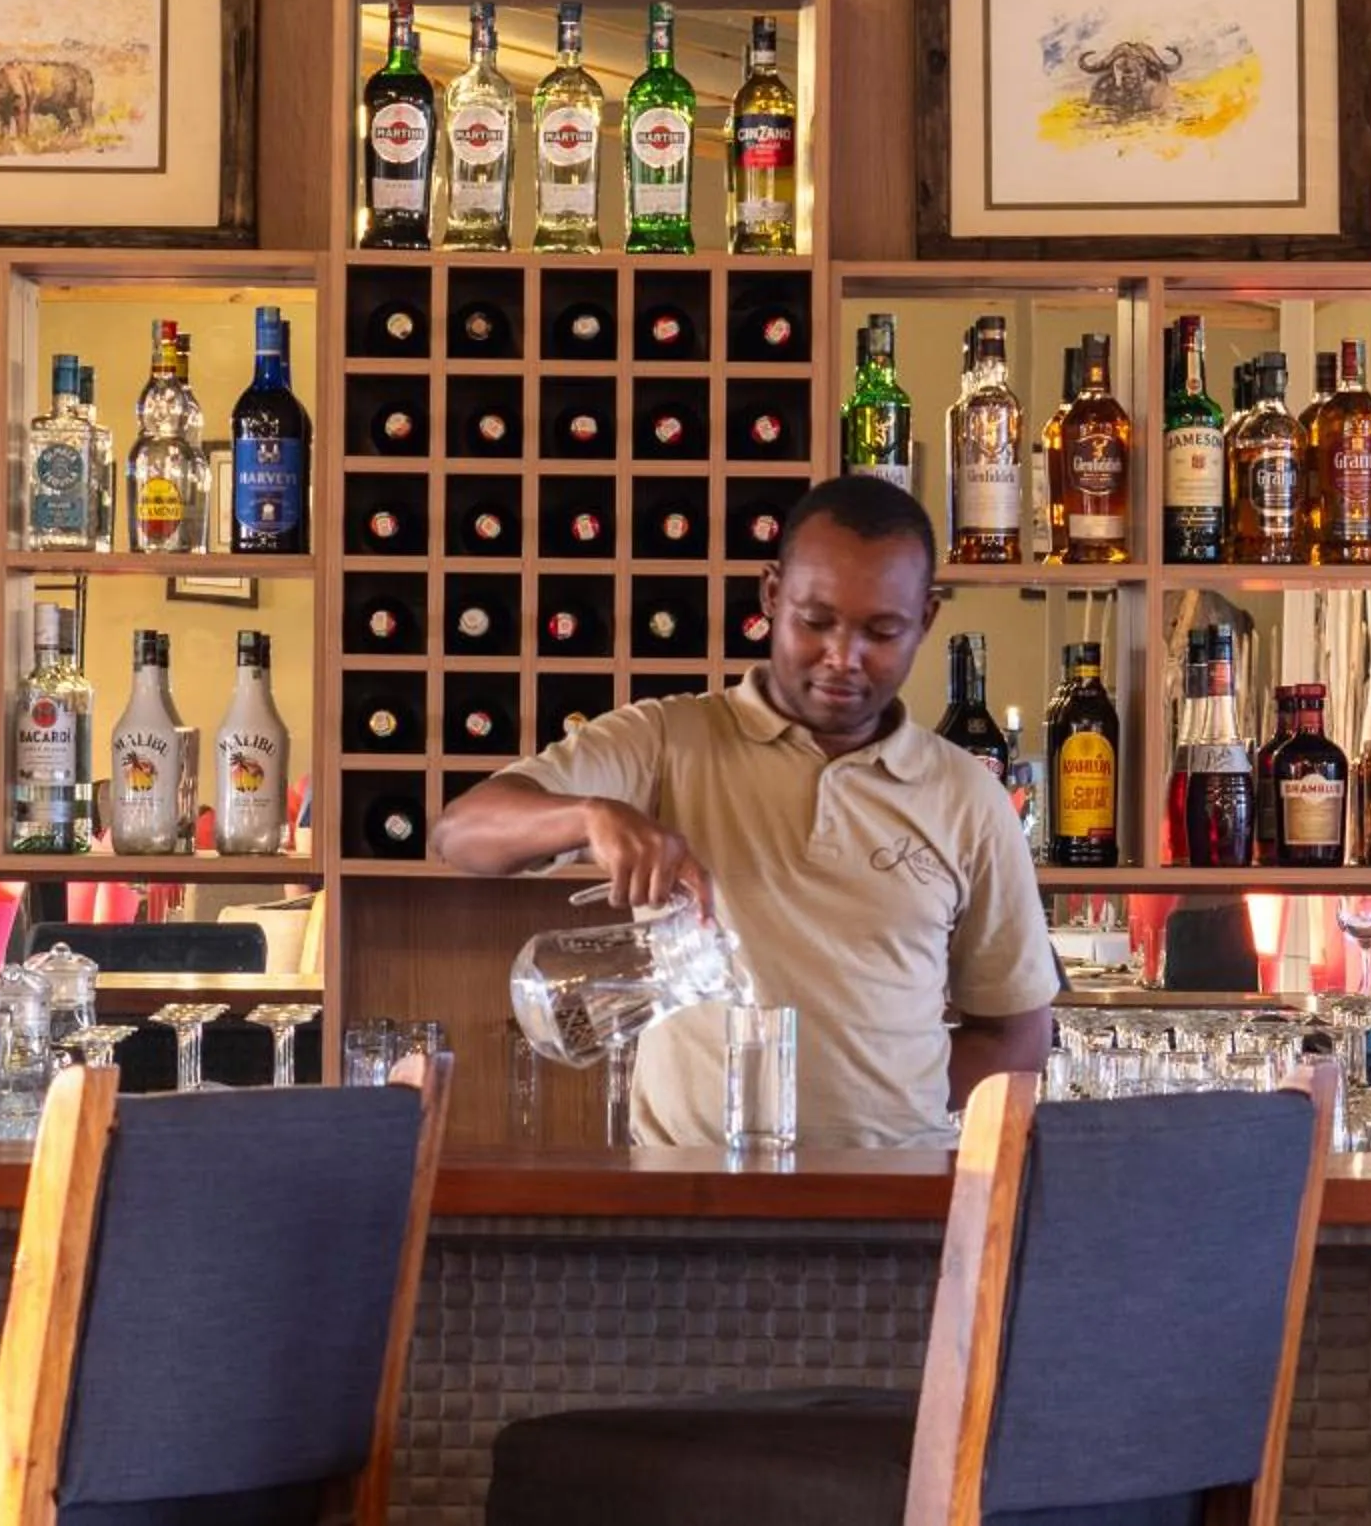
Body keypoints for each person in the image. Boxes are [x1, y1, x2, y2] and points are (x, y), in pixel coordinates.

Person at [431, 474, 1058, 1148]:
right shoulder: (667, 741)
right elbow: (460, 832)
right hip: (691, 1200)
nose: (843, 657)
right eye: (815, 622)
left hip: (899, 1208)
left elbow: (1015, 1033)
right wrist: (586, 816)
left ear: (927, 620)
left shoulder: (967, 796)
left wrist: (887, 1112)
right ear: (771, 595)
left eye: (881, 631)